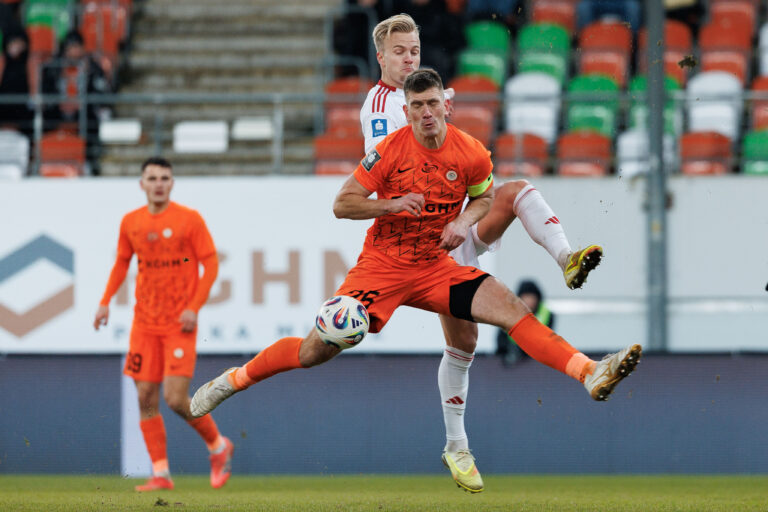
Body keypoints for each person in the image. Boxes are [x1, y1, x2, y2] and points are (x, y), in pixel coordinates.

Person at [189, 69, 642, 493]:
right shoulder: (389, 152)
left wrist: (466, 220)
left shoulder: (470, 152)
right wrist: (389, 205)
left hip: (435, 265)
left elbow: (485, 198)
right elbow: (342, 203)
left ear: (446, 105)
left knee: (510, 309)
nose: (425, 113)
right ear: (405, 111)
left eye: (431, 103)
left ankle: (589, 371)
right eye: (416, 106)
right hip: (382, 266)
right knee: (315, 351)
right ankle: (232, 380)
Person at [359, 14, 603, 492]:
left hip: (456, 225)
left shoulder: (424, 97)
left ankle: (568, 258)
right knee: (464, 345)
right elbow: (388, 169)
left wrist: (464, 211)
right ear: (381, 58)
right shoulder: (382, 104)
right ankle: (456, 444)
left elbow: (457, 163)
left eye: (415, 49)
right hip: (422, 247)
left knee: (514, 191)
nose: (410, 58)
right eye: (400, 51)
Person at [93, 157, 234, 492]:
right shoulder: (131, 222)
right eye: (152, 178)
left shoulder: (189, 220)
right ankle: (160, 473)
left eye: (165, 178)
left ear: (172, 184)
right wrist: (104, 301)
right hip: (144, 323)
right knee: (144, 396)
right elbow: (122, 263)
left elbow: (210, 264)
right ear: (141, 184)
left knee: (174, 397)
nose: (158, 183)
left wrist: (193, 307)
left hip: (178, 323)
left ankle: (218, 446)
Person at [496, 279, 553, 364]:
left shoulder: (547, 314)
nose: (529, 301)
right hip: (512, 356)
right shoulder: (509, 314)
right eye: (526, 297)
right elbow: (501, 339)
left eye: (532, 297)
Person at [0, 23, 32, 134]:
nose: (16, 46)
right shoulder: (1, 63)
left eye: (19, 42)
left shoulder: (31, 64)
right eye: (12, 42)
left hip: (25, 115)